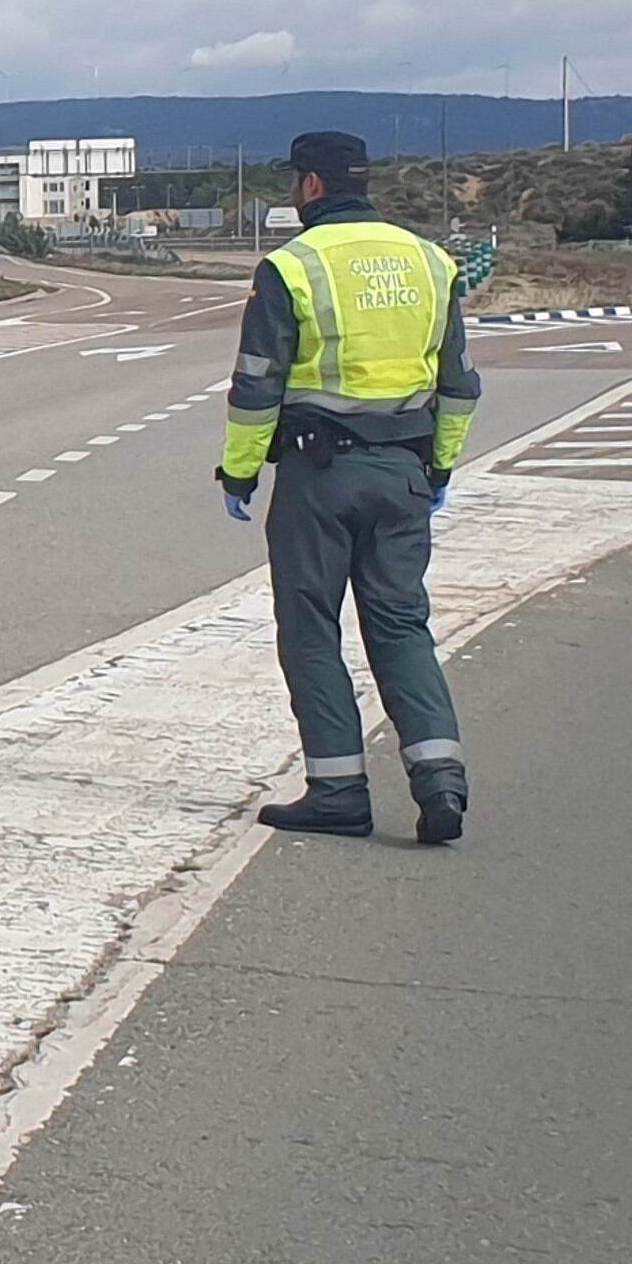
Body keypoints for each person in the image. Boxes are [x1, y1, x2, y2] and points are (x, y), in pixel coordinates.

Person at [218, 130, 481, 845]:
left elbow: (255, 387)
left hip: (318, 477)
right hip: (402, 473)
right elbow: (458, 385)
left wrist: (240, 471)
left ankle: (338, 791)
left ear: (309, 187)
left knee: (311, 631)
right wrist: (439, 469)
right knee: (400, 626)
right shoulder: (431, 262)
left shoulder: (292, 267)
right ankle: (441, 780)